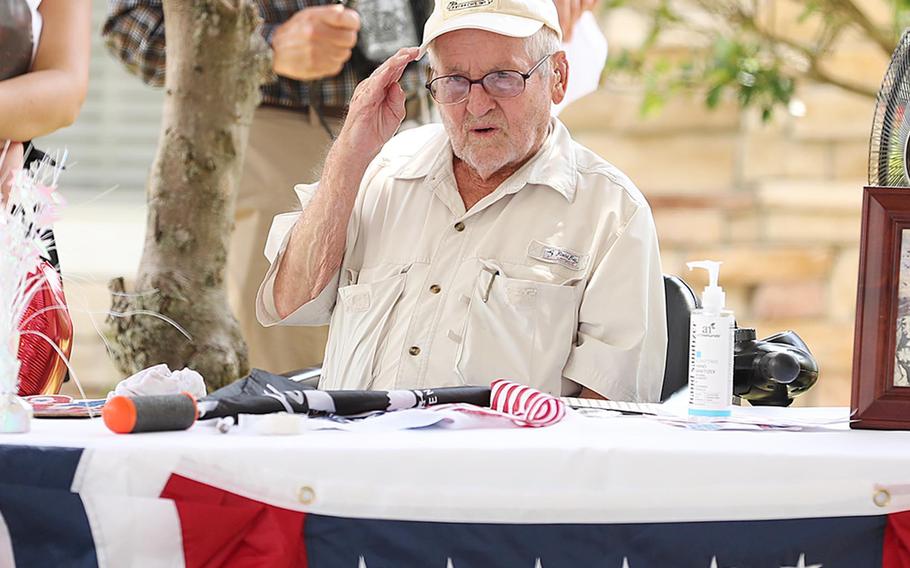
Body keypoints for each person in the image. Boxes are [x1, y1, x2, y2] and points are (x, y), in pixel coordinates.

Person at [256, 0, 667, 400]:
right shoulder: (379, 172)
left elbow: (612, 410)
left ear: (557, 76)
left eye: (503, 77)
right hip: (352, 460)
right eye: (454, 80)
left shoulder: (611, 212)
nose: (477, 103)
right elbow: (289, 301)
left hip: (502, 468)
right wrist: (351, 151)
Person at [103, 0, 433, 375]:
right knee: (287, 385)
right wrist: (264, 49)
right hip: (280, 133)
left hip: (422, 126)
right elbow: (132, 31)